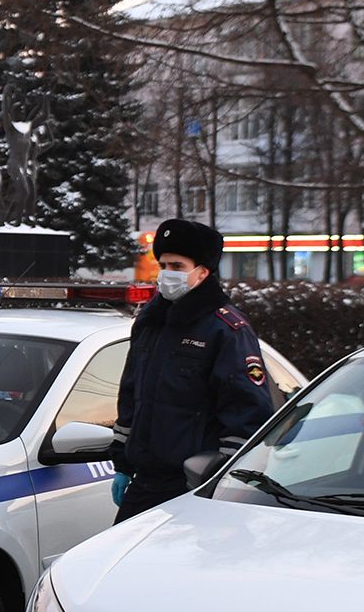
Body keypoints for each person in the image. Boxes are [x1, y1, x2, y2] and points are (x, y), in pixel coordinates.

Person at [111, 218, 275, 523]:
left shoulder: (226, 329)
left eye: (177, 265)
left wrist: (221, 479)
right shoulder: (151, 321)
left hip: (194, 484)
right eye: (163, 265)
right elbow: (132, 393)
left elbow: (247, 410)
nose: (167, 274)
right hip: (146, 481)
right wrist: (122, 463)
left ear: (203, 271)